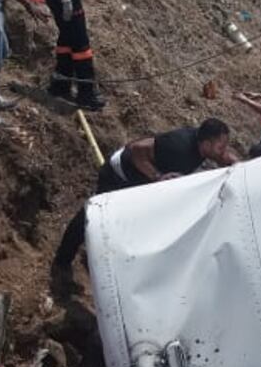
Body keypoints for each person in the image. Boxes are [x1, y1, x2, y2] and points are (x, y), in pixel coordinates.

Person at [51, 118, 238, 280]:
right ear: (205, 144)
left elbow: (221, 158)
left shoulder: (202, 148)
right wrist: (157, 176)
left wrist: (235, 163)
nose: (223, 151)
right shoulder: (178, 146)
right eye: (221, 146)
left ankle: (93, 257)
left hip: (136, 184)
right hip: (118, 175)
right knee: (91, 217)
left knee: (119, 225)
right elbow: (135, 148)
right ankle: (62, 261)